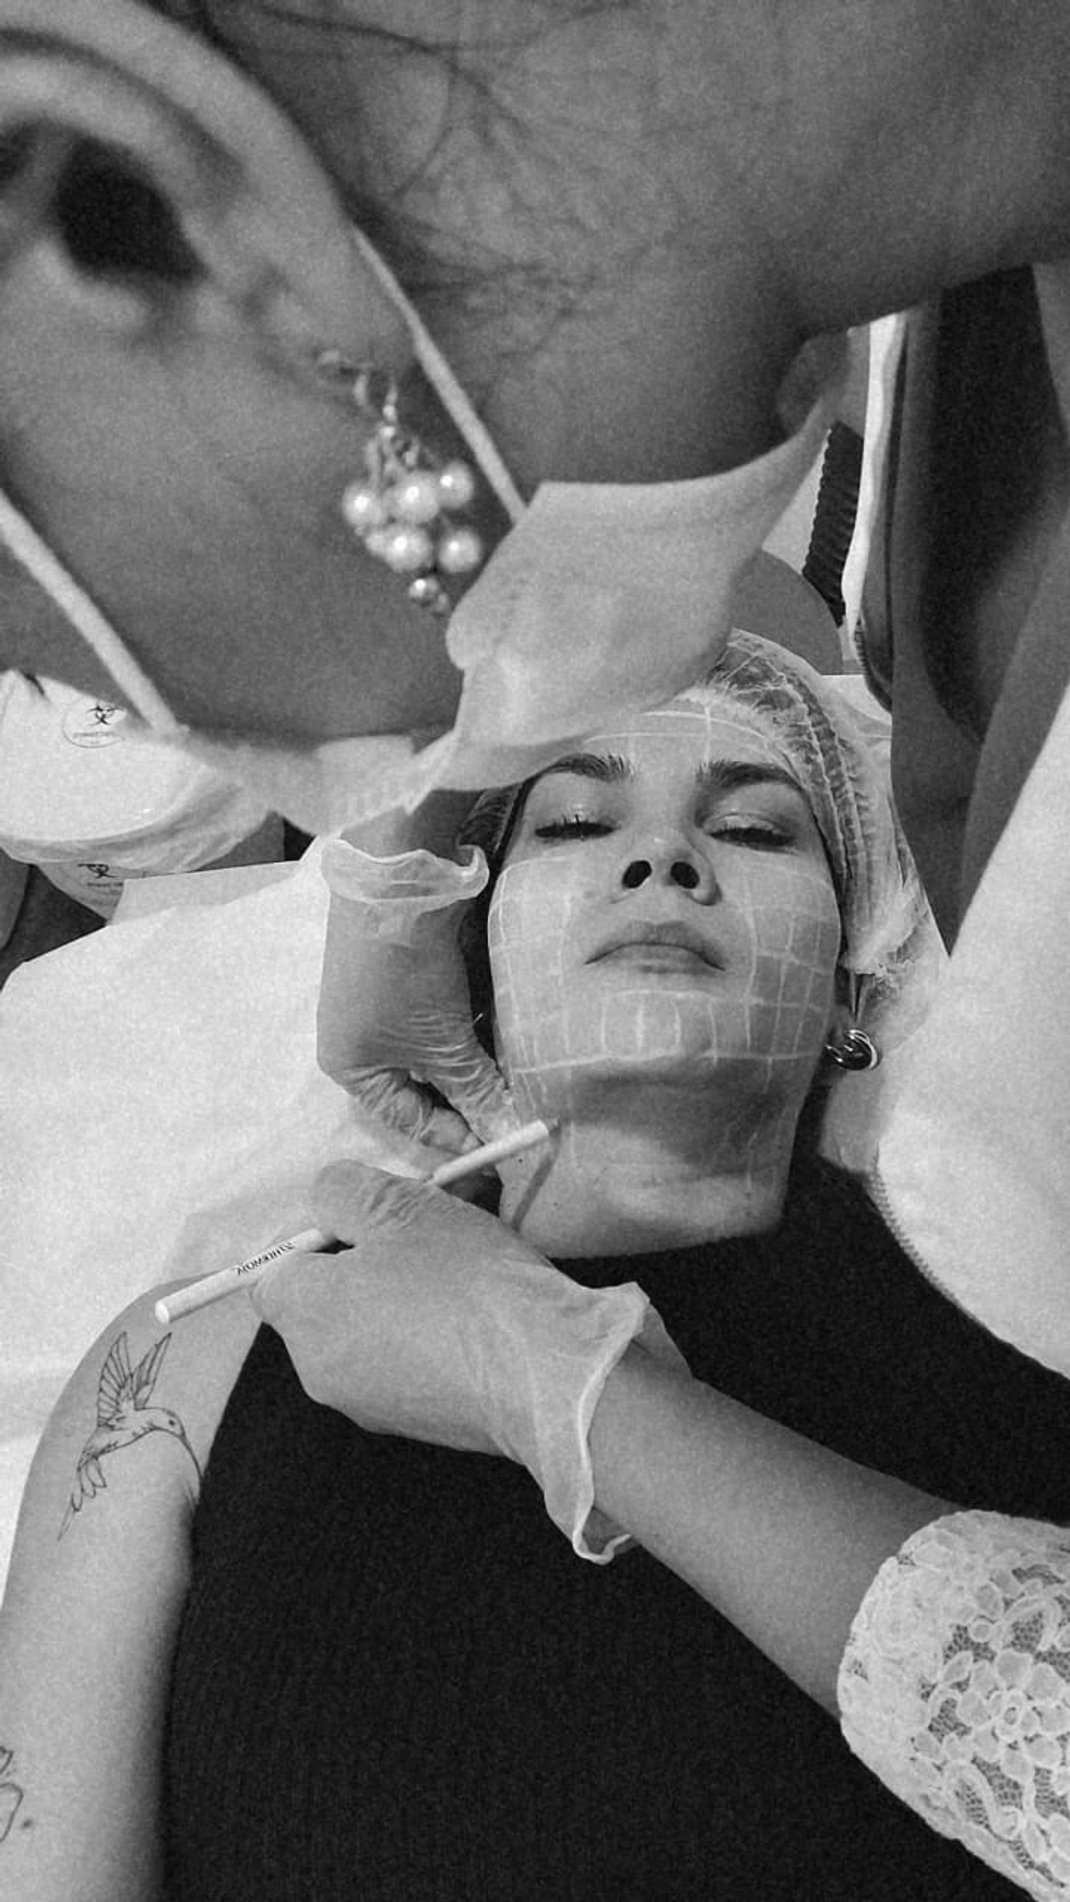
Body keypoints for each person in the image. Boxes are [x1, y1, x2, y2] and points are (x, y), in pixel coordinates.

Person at [5, 632, 1070, 1902]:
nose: (661, 858)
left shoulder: (1020, 1297)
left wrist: (567, 1385)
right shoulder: (193, 1358)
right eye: (569, 825)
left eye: (755, 831)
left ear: (852, 990)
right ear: (472, 964)